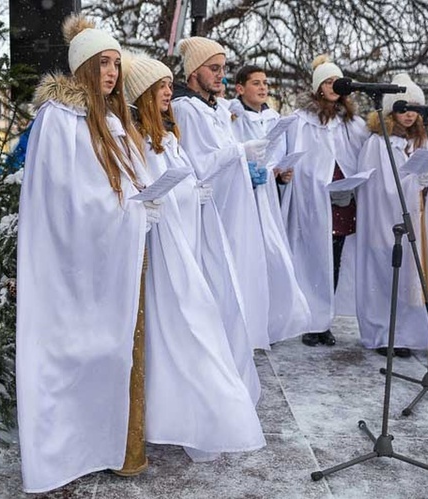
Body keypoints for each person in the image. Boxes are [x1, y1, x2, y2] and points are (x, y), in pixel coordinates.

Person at [16, 16, 159, 492]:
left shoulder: (117, 121)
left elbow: (128, 181)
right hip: (80, 265)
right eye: (103, 63)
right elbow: (65, 199)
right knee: (78, 354)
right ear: (82, 68)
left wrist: (149, 198)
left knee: (121, 353)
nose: (113, 72)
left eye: (117, 63)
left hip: (120, 258)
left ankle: (119, 448)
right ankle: (72, 451)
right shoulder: (59, 119)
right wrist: (132, 212)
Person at [120, 51, 265, 461]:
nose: (169, 91)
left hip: (184, 245)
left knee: (197, 327)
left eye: (170, 84)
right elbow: (143, 189)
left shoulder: (167, 134)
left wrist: (192, 193)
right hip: (164, 256)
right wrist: (175, 195)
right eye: (161, 86)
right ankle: (184, 415)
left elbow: (181, 178)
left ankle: (197, 414)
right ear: (144, 92)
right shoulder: (137, 138)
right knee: (183, 332)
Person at [355, 73, 428, 361]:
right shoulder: (378, 143)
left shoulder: (421, 140)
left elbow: (427, 177)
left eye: (415, 109)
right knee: (385, 277)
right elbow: (379, 187)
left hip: (418, 219)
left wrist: (426, 180)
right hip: (387, 223)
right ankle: (383, 334)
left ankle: (409, 334)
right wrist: (412, 182)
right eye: (404, 109)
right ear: (392, 109)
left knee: (414, 277)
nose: (409, 116)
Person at [171, 37, 271, 351]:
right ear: (192, 72)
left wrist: (247, 162)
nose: (220, 75)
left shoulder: (213, 107)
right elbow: (198, 164)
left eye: (223, 68)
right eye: (213, 68)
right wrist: (240, 151)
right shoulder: (186, 109)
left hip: (231, 206)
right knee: (217, 279)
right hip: (210, 211)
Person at [281, 54, 369, 347]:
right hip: (312, 201)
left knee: (334, 260)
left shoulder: (350, 122)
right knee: (311, 259)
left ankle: (325, 321)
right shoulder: (301, 121)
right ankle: (310, 321)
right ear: (318, 87)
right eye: (327, 82)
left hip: (342, 200)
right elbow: (294, 156)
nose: (332, 86)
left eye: (336, 81)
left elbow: (364, 149)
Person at [228, 64, 311, 343]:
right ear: (240, 88)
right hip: (244, 197)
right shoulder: (231, 117)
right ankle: (244, 322)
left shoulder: (275, 118)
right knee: (246, 256)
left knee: (270, 257)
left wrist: (283, 175)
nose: (263, 88)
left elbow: (279, 157)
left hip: (268, 199)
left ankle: (269, 321)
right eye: (256, 83)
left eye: (265, 83)